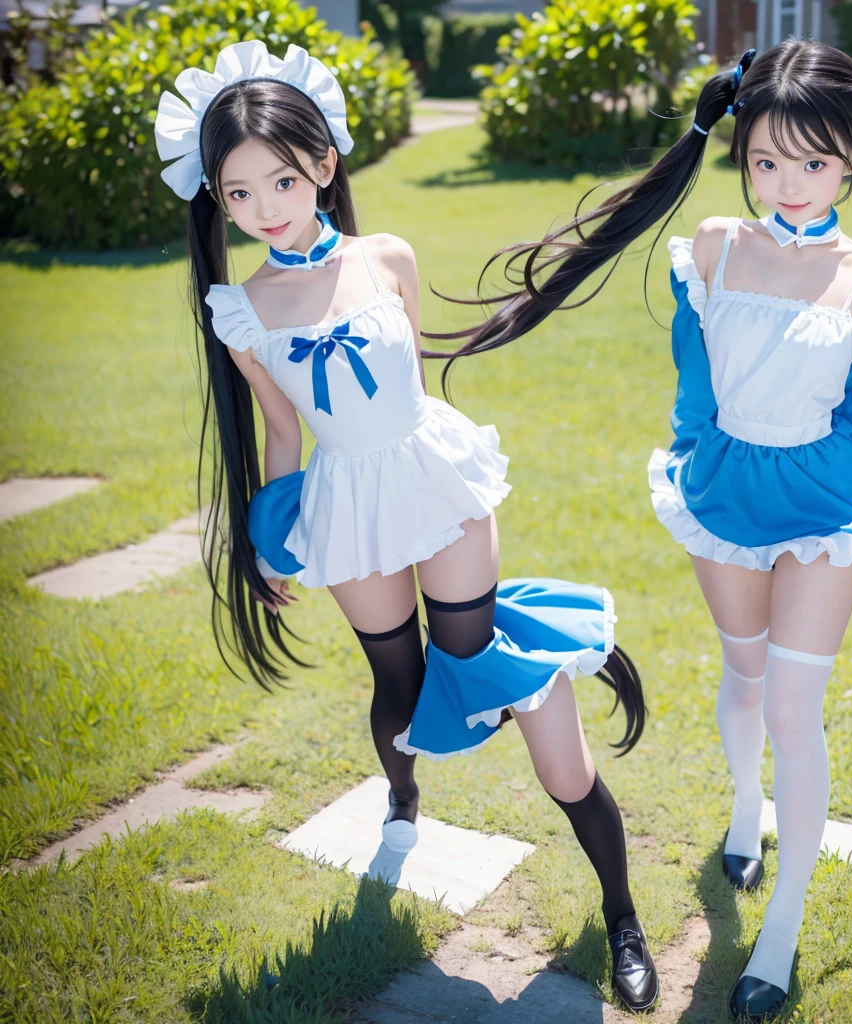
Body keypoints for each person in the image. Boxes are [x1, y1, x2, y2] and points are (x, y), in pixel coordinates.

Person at [429, 41, 852, 1022]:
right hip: (722, 492)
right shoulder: (711, 246)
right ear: (740, 154)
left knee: (796, 708)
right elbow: (693, 386)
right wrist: (694, 473)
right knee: (745, 676)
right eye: (765, 160)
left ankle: (782, 929)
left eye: (811, 162)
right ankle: (742, 810)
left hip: (824, 502)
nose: (786, 184)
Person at [153, 39, 658, 1012]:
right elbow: (281, 425)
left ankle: (622, 910)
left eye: (282, 180)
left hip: (429, 473)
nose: (264, 207)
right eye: (239, 194)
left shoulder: (387, 258)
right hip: (345, 498)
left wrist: (432, 480)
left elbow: (412, 389)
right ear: (219, 202)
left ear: (325, 166)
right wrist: (271, 535)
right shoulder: (244, 308)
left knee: (470, 655)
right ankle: (404, 798)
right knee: (400, 682)